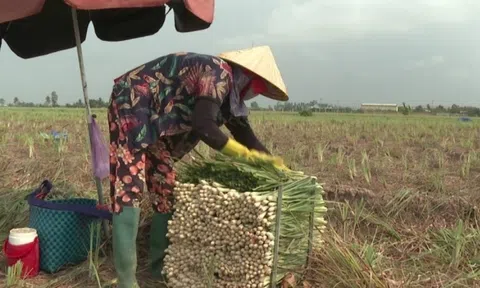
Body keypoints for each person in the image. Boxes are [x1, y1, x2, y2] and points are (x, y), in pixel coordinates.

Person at [107, 46, 289, 287]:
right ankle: (126, 280)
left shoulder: (229, 98)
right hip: (132, 100)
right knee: (129, 185)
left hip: (156, 119)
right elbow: (204, 125)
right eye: (257, 87)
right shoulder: (218, 73)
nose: (255, 93)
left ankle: (158, 269)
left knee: (165, 185)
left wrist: (274, 166)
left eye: (260, 91)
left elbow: (246, 136)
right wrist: (241, 154)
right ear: (246, 76)